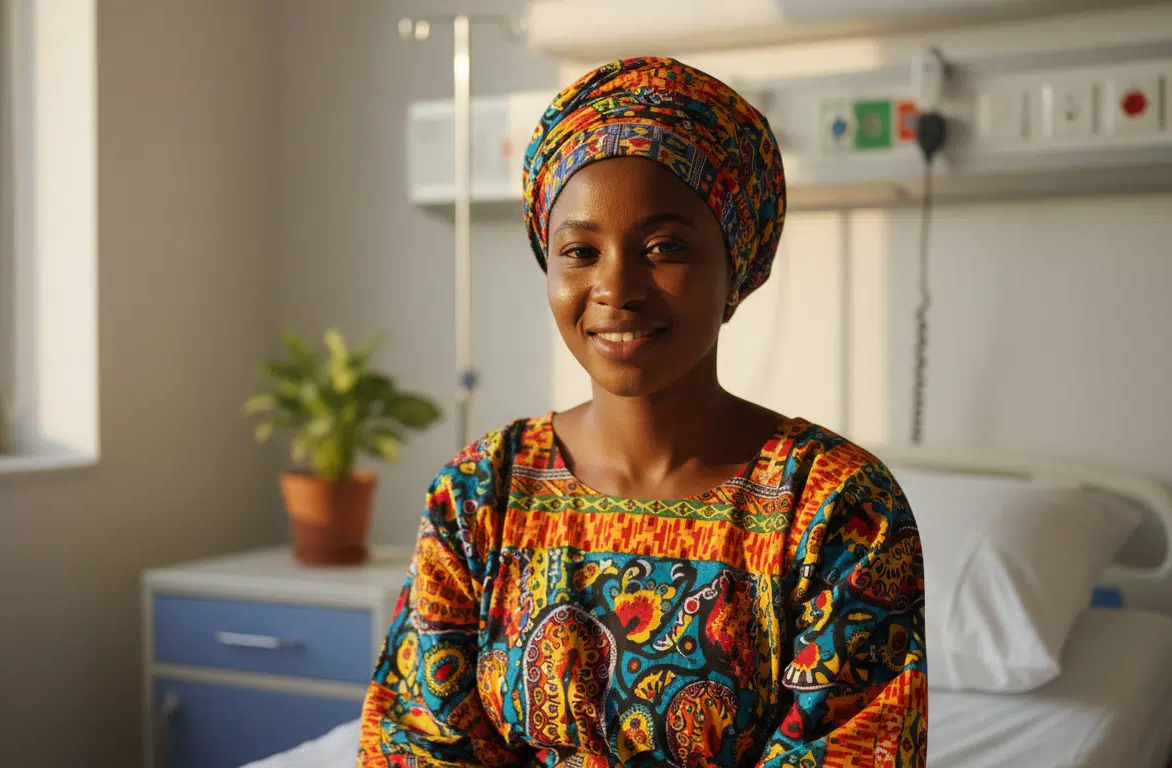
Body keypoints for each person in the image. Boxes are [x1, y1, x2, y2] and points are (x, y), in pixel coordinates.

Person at [358, 56, 927, 768]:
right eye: (580, 251)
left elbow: (851, 753)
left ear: (737, 268)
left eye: (664, 248)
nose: (615, 287)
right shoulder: (480, 494)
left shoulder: (839, 510)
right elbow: (416, 744)